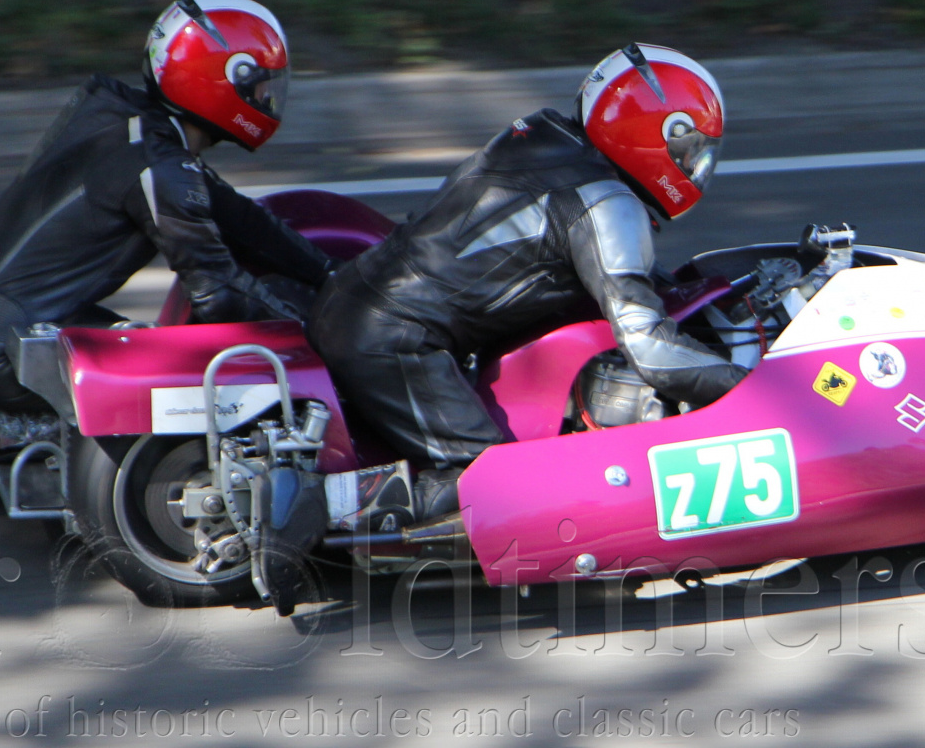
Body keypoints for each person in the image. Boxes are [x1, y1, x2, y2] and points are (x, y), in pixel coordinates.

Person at [0, 0, 333, 492]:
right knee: (170, 386)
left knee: (136, 339)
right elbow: (219, 295)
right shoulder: (162, 170)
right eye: (261, 84)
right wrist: (315, 333)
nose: (268, 98)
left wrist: (329, 273)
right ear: (222, 81)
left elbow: (241, 219)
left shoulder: (115, 114)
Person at [308, 43, 748, 523]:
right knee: (496, 486)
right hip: (393, 341)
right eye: (692, 150)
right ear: (659, 134)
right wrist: (754, 390)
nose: (695, 165)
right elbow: (652, 350)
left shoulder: (542, 136)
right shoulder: (605, 204)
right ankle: (318, 508)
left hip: (353, 300)